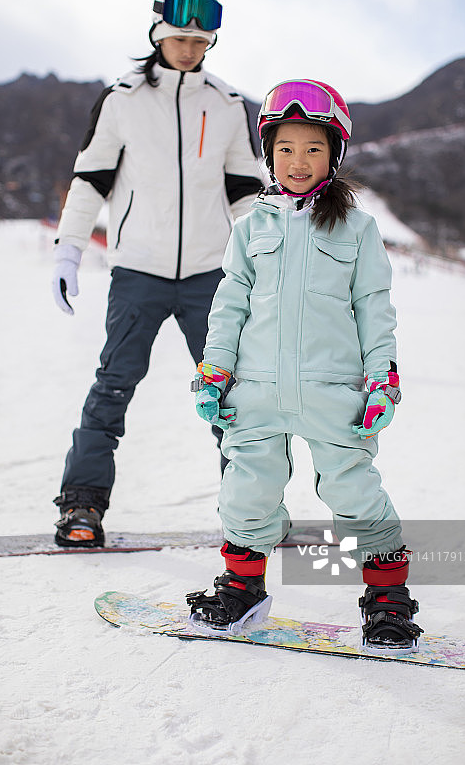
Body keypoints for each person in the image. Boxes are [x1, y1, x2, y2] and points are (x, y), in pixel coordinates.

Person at [187, 79, 423, 652]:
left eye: (313, 148)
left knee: (356, 494)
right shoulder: (251, 229)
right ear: (269, 155)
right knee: (246, 490)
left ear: (333, 155)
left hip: (332, 390)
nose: (298, 161)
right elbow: (230, 303)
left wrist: (381, 379)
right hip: (257, 391)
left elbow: (374, 308)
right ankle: (242, 588)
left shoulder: (356, 228)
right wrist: (214, 370)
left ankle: (387, 600)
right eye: (286, 148)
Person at [52, 0, 263, 547]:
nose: (190, 49)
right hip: (138, 271)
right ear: (158, 34)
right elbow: (91, 179)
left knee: (230, 392)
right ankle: (82, 506)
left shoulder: (225, 104)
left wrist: (262, 252)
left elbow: (245, 187)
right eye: (180, 37)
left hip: (208, 275)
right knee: (113, 385)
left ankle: (252, 510)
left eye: (201, 39)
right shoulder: (121, 99)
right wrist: (70, 247)